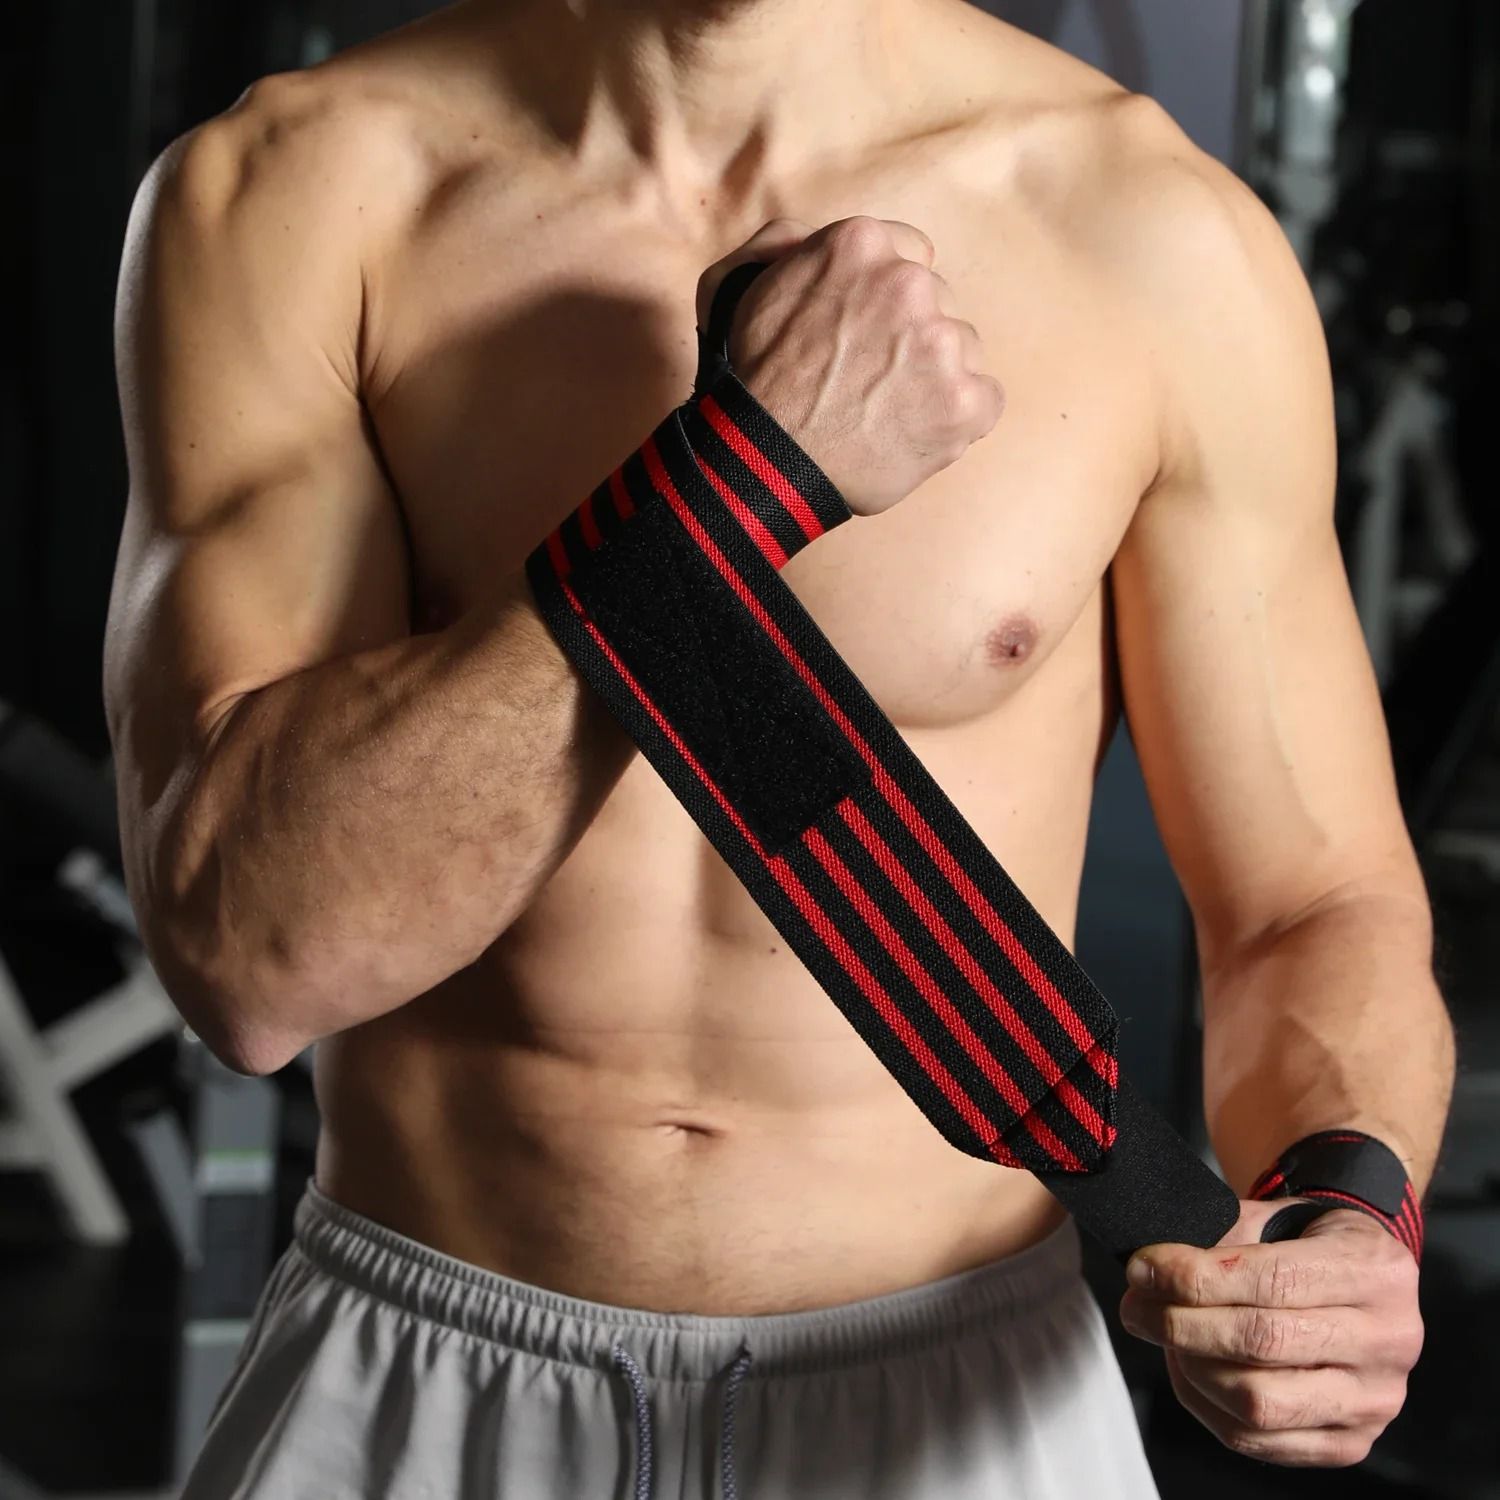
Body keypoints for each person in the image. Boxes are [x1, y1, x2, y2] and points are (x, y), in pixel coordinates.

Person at [104, 0, 1453, 1495]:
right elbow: (248, 955)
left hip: (958, 1394)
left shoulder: (1156, 237)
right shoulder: (295, 196)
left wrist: (1344, 1205)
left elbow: (1309, 903)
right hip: (420, 1373)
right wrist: (741, 480)